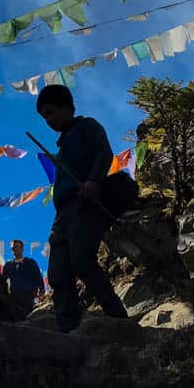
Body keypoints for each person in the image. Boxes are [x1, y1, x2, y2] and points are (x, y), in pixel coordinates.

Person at [35, 84, 128, 333]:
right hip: (62, 214)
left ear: (68, 107)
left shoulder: (88, 126)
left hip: (85, 203)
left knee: (82, 260)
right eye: (45, 117)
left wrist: (94, 180)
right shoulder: (62, 148)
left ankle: (118, 320)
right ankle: (68, 328)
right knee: (57, 273)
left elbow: (104, 153)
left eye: (51, 113)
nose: (49, 121)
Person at [2, 239, 44, 317]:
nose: (15, 249)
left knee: (29, 317)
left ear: (22, 248)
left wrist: (41, 291)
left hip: (29, 296)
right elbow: (3, 280)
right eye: (13, 248)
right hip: (14, 297)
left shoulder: (30, 262)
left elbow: (38, 277)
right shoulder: (8, 265)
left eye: (17, 247)